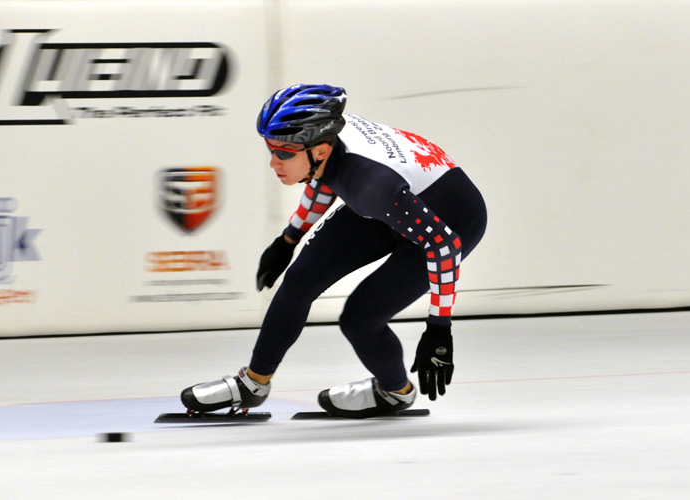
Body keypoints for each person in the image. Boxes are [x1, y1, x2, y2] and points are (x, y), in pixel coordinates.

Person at [181, 84, 487, 418]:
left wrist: (439, 329)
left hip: (451, 219)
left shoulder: (370, 185)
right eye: (270, 149)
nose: (273, 162)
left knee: (360, 318)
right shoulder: (328, 149)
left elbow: (443, 245)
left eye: (283, 152)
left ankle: (396, 391)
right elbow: (322, 179)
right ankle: (253, 383)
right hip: (399, 199)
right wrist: (288, 239)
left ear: (321, 150)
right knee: (299, 279)